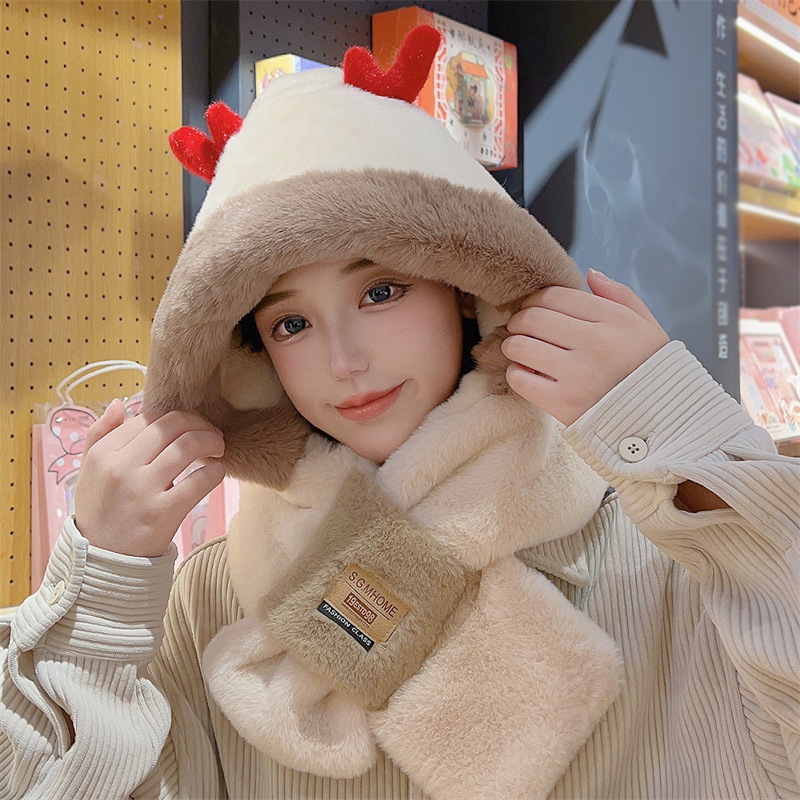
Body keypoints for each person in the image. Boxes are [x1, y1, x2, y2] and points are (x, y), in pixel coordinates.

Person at [2, 25, 798, 800]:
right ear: (253, 355)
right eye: (291, 323)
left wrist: (682, 429)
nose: (343, 360)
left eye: (381, 291)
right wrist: (99, 582)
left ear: (468, 290)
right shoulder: (216, 597)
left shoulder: (655, 554)